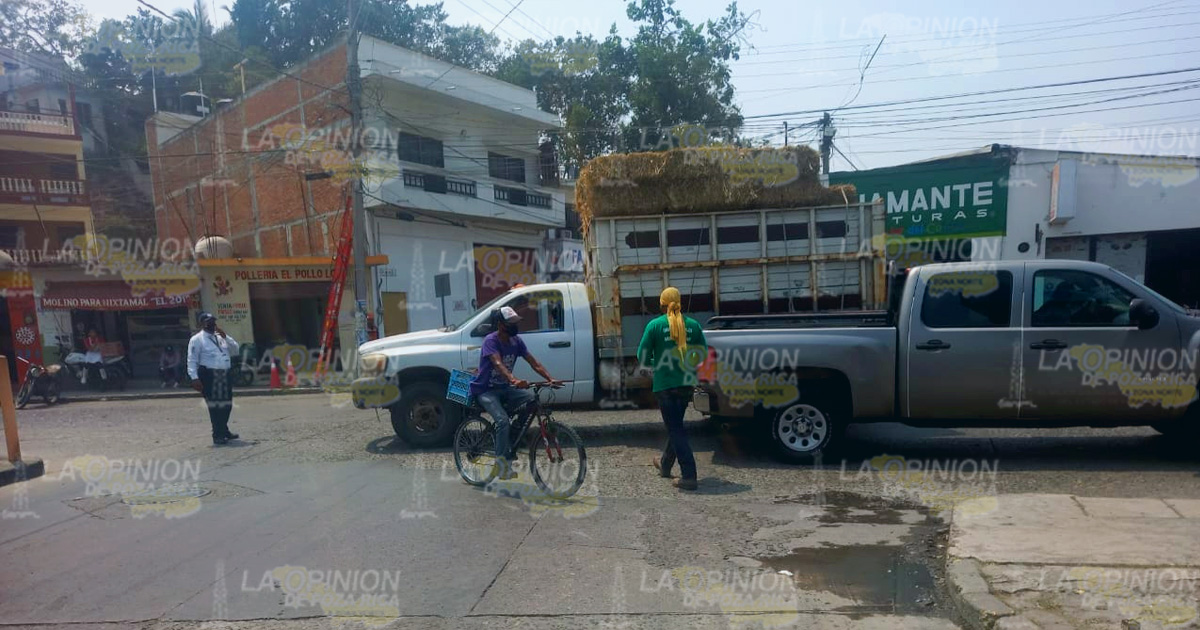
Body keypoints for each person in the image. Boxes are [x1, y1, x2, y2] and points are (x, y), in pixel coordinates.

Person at [469, 306, 560, 479]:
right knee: (502, 421)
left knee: (533, 401)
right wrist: (514, 380)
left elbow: (534, 362)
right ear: (500, 324)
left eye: (515, 322)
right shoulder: (491, 340)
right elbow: (497, 364)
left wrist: (550, 378)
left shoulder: (516, 341)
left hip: (505, 389)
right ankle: (501, 465)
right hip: (485, 390)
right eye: (511, 322)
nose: (515, 325)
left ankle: (513, 435)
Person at [638, 287, 707, 491]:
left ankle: (689, 475)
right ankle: (665, 465)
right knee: (675, 425)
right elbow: (701, 355)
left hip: (665, 385)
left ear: (661, 304)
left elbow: (642, 357)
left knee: (675, 428)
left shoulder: (655, 326)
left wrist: (657, 361)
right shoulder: (693, 325)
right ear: (680, 303)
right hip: (686, 383)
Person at [187, 312, 241, 445]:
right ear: (202, 324)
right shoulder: (197, 339)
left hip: (225, 374)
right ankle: (217, 435)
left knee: (227, 404)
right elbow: (191, 360)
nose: (212, 324)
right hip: (209, 375)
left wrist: (226, 337)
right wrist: (194, 378)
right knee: (215, 406)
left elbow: (236, 350)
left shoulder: (221, 337)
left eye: (213, 321)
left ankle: (224, 430)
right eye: (208, 322)